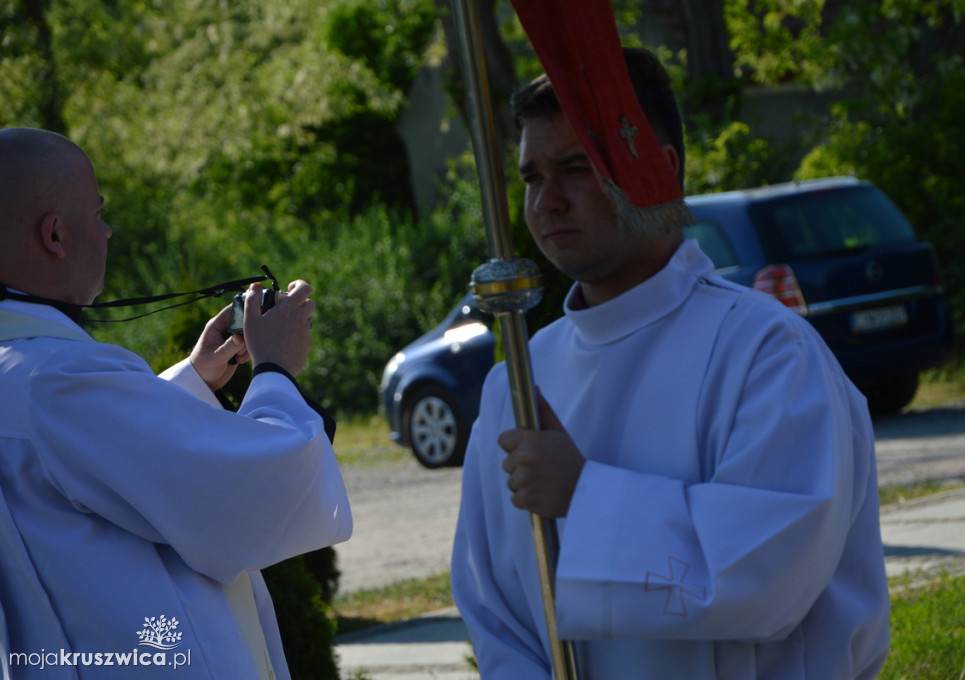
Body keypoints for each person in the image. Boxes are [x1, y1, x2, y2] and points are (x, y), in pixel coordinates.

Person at [450, 48, 890, 679]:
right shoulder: (517, 382)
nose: (547, 202)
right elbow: (495, 614)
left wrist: (584, 495)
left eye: (576, 168)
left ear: (661, 170)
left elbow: (771, 580)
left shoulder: (767, 354)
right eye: (531, 177)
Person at [0, 127, 352, 679]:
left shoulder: (21, 369)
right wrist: (276, 370)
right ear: (56, 235)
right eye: (97, 212)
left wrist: (195, 380)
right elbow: (247, 497)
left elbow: (90, 458)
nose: (109, 230)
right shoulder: (57, 376)